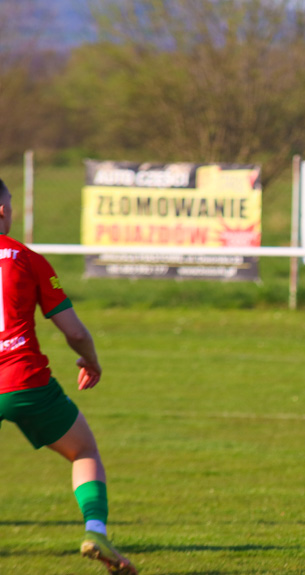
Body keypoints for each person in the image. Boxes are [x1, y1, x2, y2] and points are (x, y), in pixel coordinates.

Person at [0, 179, 137, 575]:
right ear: (3, 211)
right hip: (23, 381)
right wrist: (91, 362)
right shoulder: (26, 258)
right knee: (83, 452)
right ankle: (95, 531)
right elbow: (74, 332)